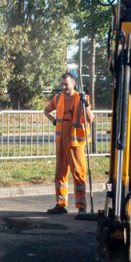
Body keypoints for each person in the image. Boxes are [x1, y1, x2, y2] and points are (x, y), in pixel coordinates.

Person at [43, 72, 93, 215]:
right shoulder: (58, 98)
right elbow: (46, 110)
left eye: (66, 84)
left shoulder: (81, 98)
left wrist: (87, 105)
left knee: (78, 173)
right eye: (62, 84)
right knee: (60, 174)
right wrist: (53, 120)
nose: (64, 87)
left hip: (75, 143)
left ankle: (81, 206)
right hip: (61, 142)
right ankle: (60, 204)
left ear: (73, 84)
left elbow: (91, 119)